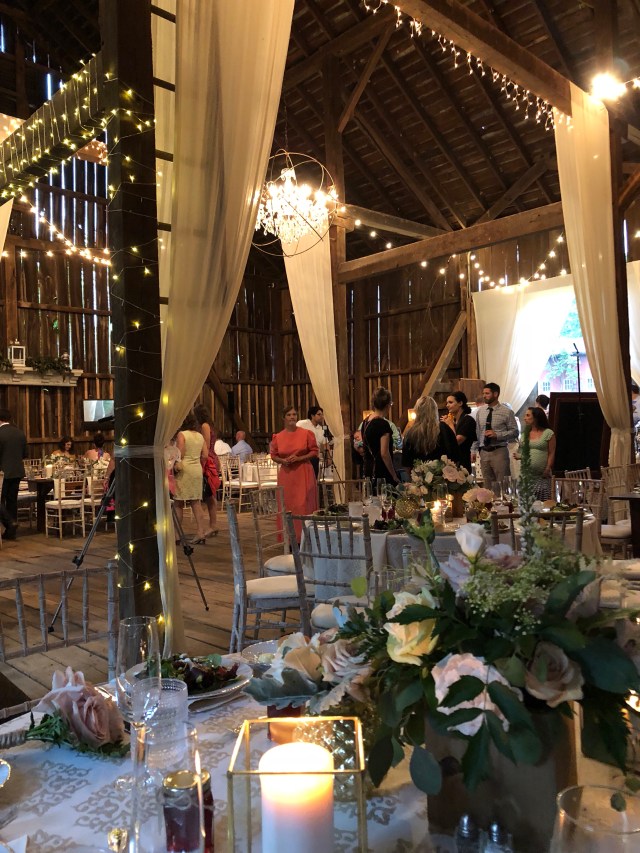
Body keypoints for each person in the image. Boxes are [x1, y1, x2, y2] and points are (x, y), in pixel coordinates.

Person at [270, 405, 318, 538]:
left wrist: (299, 458)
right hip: (287, 475)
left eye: (294, 414)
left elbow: (314, 451)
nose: (292, 417)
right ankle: (289, 537)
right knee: (287, 505)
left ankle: (305, 537)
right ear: (283, 418)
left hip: (303, 472)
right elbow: (273, 455)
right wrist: (282, 460)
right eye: (289, 415)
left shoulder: (306, 433)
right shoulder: (278, 437)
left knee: (303, 505)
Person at [173, 412, 211, 544]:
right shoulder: (200, 436)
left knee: (178, 502)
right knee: (196, 502)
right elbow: (205, 455)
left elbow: (181, 453)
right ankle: (200, 532)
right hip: (196, 470)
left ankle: (177, 535)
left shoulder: (182, 434)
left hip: (184, 470)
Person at [475, 382, 519, 486]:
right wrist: (474, 450)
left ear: (495, 394)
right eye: (483, 393)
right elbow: (477, 432)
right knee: (487, 486)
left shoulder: (507, 412)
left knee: (502, 483)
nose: (484, 396)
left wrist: (497, 435)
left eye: (487, 393)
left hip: (499, 451)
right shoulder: (481, 411)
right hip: (484, 452)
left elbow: (515, 432)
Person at [402, 395, 459, 470]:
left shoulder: (410, 433)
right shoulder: (444, 429)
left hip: (419, 475)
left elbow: (407, 464)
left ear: (417, 411)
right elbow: (455, 456)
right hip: (443, 474)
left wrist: (416, 475)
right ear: (435, 410)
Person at [362, 388, 401, 487]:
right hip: (381, 472)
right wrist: (394, 475)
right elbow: (384, 453)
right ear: (387, 406)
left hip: (368, 470)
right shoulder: (383, 425)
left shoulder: (365, 422)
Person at [194, 404, 220, 537]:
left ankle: (213, 525)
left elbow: (206, 445)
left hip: (208, 461)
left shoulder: (204, 426)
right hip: (211, 458)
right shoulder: (209, 425)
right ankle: (212, 524)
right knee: (210, 494)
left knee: (209, 493)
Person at [0, 408, 26, 540]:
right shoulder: (20, 433)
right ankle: (11, 532)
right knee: (12, 501)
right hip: (17, 471)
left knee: (0, 500)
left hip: (2, 472)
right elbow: (25, 454)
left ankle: (10, 523)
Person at [524, 406, 556, 499]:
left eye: (528, 415)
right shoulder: (526, 433)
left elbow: (551, 452)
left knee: (543, 501)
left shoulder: (548, 433)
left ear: (536, 417)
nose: (524, 418)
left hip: (542, 475)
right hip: (527, 475)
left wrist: (547, 468)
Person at [441, 391, 477, 472]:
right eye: (447, 403)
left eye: (450, 402)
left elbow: (456, 442)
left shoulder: (468, 420)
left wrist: (450, 424)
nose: (447, 405)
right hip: (450, 462)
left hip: (462, 462)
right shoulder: (453, 420)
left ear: (460, 403)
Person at [296, 406, 327, 479]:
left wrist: (328, 458)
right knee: (302, 479)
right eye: (319, 414)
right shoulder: (302, 423)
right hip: (302, 457)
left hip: (314, 457)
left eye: (322, 414)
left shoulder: (321, 429)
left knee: (313, 479)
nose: (321, 416)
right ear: (312, 415)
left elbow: (325, 443)